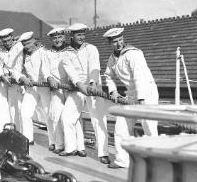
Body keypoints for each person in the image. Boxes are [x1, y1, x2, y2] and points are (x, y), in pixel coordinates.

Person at [103, 27, 159, 169]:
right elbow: (108, 76)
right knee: (121, 127)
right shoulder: (112, 58)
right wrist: (113, 91)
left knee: (149, 128)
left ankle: (155, 163)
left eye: (120, 40)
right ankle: (122, 160)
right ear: (110, 43)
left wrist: (141, 99)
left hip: (147, 93)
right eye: (115, 42)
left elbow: (139, 76)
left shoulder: (133, 54)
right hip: (131, 95)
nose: (118, 44)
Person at [61, 23, 109, 159]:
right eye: (78, 35)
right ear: (71, 36)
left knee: (98, 120)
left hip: (94, 87)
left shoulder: (92, 49)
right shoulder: (65, 54)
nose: (81, 37)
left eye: (83, 34)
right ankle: (71, 148)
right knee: (67, 116)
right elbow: (72, 74)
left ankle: (103, 154)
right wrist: (82, 87)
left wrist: (93, 84)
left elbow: (95, 67)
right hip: (78, 87)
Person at [12, 31, 51, 145]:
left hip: (44, 87)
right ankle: (28, 139)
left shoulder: (43, 52)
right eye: (24, 44)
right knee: (25, 113)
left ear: (34, 41)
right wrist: (22, 78)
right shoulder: (22, 55)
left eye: (28, 43)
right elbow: (15, 70)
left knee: (49, 114)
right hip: (31, 87)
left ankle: (55, 142)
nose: (27, 46)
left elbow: (48, 69)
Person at [41, 27, 67, 153]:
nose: (57, 40)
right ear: (51, 39)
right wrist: (49, 78)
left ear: (64, 37)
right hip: (56, 87)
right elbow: (45, 69)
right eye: (55, 38)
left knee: (71, 118)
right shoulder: (48, 53)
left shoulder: (70, 51)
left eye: (60, 37)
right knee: (55, 115)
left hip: (70, 87)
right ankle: (59, 145)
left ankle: (76, 146)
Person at [0, 28, 24, 130]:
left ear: (12, 37)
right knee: (4, 105)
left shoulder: (19, 47)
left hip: (17, 80)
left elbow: (20, 65)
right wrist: (2, 76)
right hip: (5, 79)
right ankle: (5, 130)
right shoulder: (0, 52)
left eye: (8, 40)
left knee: (17, 107)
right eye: (4, 41)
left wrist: (14, 76)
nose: (6, 43)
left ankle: (18, 131)